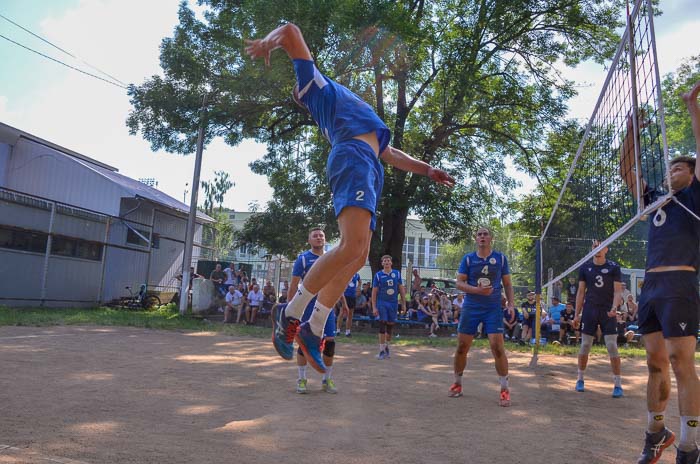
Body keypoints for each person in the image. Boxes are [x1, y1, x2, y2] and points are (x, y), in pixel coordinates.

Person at [245, 23, 455, 374]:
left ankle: (315, 326)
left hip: (369, 164)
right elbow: (293, 32)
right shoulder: (317, 89)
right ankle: (291, 312)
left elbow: (390, 153)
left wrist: (427, 169)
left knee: (358, 257)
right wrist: (269, 42)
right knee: (349, 245)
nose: (301, 81)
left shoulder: (351, 109)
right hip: (353, 159)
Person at [620, 82, 700, 463]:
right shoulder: (655, 200)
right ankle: (657, 433)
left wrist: (691, 106)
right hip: (651, 286)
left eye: (680, 166)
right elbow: (625, 169)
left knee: (683, 363)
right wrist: (632, 129)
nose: (672, 170)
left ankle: (688, 445)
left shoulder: (694, 197)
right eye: (671, 167)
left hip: (680, 283)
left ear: (692, 174)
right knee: (655, 364)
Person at [449, 227, 515, 407]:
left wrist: (511, 304)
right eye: (479, 234)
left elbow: (508, 284)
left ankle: (504, 389)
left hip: (493, 307)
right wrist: (477, 290)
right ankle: (457, 383)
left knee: (497, 347)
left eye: (485, 234)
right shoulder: (469, 259)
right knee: (462, 346)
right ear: (476, 239)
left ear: (491, 238)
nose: (482, 237)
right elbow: (459, 283)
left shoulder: (500, 258)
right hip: (471, 306)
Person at [288, 228, 338, 394]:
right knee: (304, 343)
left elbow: (336, 283)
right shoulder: (303, 259)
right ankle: (302, 379)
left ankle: (327, 379)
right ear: (309, 240)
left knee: (330, 342)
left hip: (327, 306)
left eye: (321, 235)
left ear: (325, 239)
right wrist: (291, 309)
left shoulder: (331, 258)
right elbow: (294, 285)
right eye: (315, 236)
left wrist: (342, 302)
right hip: (307, 307)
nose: (319, 238)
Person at [573, 240, 623, 397]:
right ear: (592, 249)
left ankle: (618, 384)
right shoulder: (585, 268)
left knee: (611, 346)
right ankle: (580, 379)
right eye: (595, 246)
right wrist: (576, 314)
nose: (598, 249)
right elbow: (581, 292)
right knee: (585, 344)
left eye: (601, 246)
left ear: (606, 249)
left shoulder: (614, 267)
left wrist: (615, 307)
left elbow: (617, 291)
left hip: (608, 310)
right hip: (590, 310)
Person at [372, 255, 407, 359]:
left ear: (391, 263)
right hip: (382, 302)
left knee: (390, 326)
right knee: (382, 323)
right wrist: (374, 307)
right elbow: (374, 292)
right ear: (382, 263)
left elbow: (401, 289)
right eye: (384, 261)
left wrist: (404, 304)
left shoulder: (397, 274)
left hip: (393, 303)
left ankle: (387, 346)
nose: (386, 262)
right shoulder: (378, 275)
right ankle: (381, 350)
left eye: (388, 260)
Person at [337, 272, 360, 337]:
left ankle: (348, 332)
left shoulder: (357, 274)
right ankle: (338, 330)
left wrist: (358, 287)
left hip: (352, 297)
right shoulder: (346, 272)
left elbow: (360, 281)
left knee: (350, 314)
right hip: (345, 296)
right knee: (341, 313)